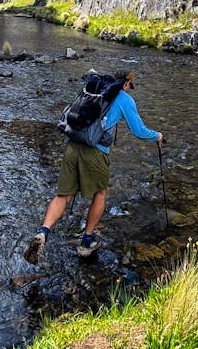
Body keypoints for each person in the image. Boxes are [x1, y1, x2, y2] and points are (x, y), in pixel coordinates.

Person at [24, 70, 163, 262]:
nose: (129, 90)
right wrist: (157, 136)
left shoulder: (92, 90)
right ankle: (87, 241)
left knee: (64, 195)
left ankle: (42, 233)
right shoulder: (124, 99)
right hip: (95, 151)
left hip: (72, 145)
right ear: (126, 83)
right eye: (130, 86)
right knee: (100, 193)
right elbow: (139, 131)